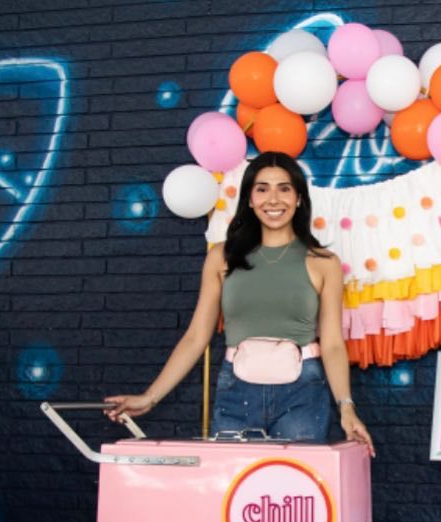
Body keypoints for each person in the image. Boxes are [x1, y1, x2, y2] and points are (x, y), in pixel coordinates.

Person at [105, 151, 374, 456]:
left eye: (284, 188)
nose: (273, 199)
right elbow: (196, 337)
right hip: (236, 392)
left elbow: (334, 344)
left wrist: (346, 408)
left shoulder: (324, 263)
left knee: (295, 493)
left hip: (303, 393)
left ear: (299, 198)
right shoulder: (221, 257)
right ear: (249, 199)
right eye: (262, 189)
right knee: (235, 494)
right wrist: (149, 397)